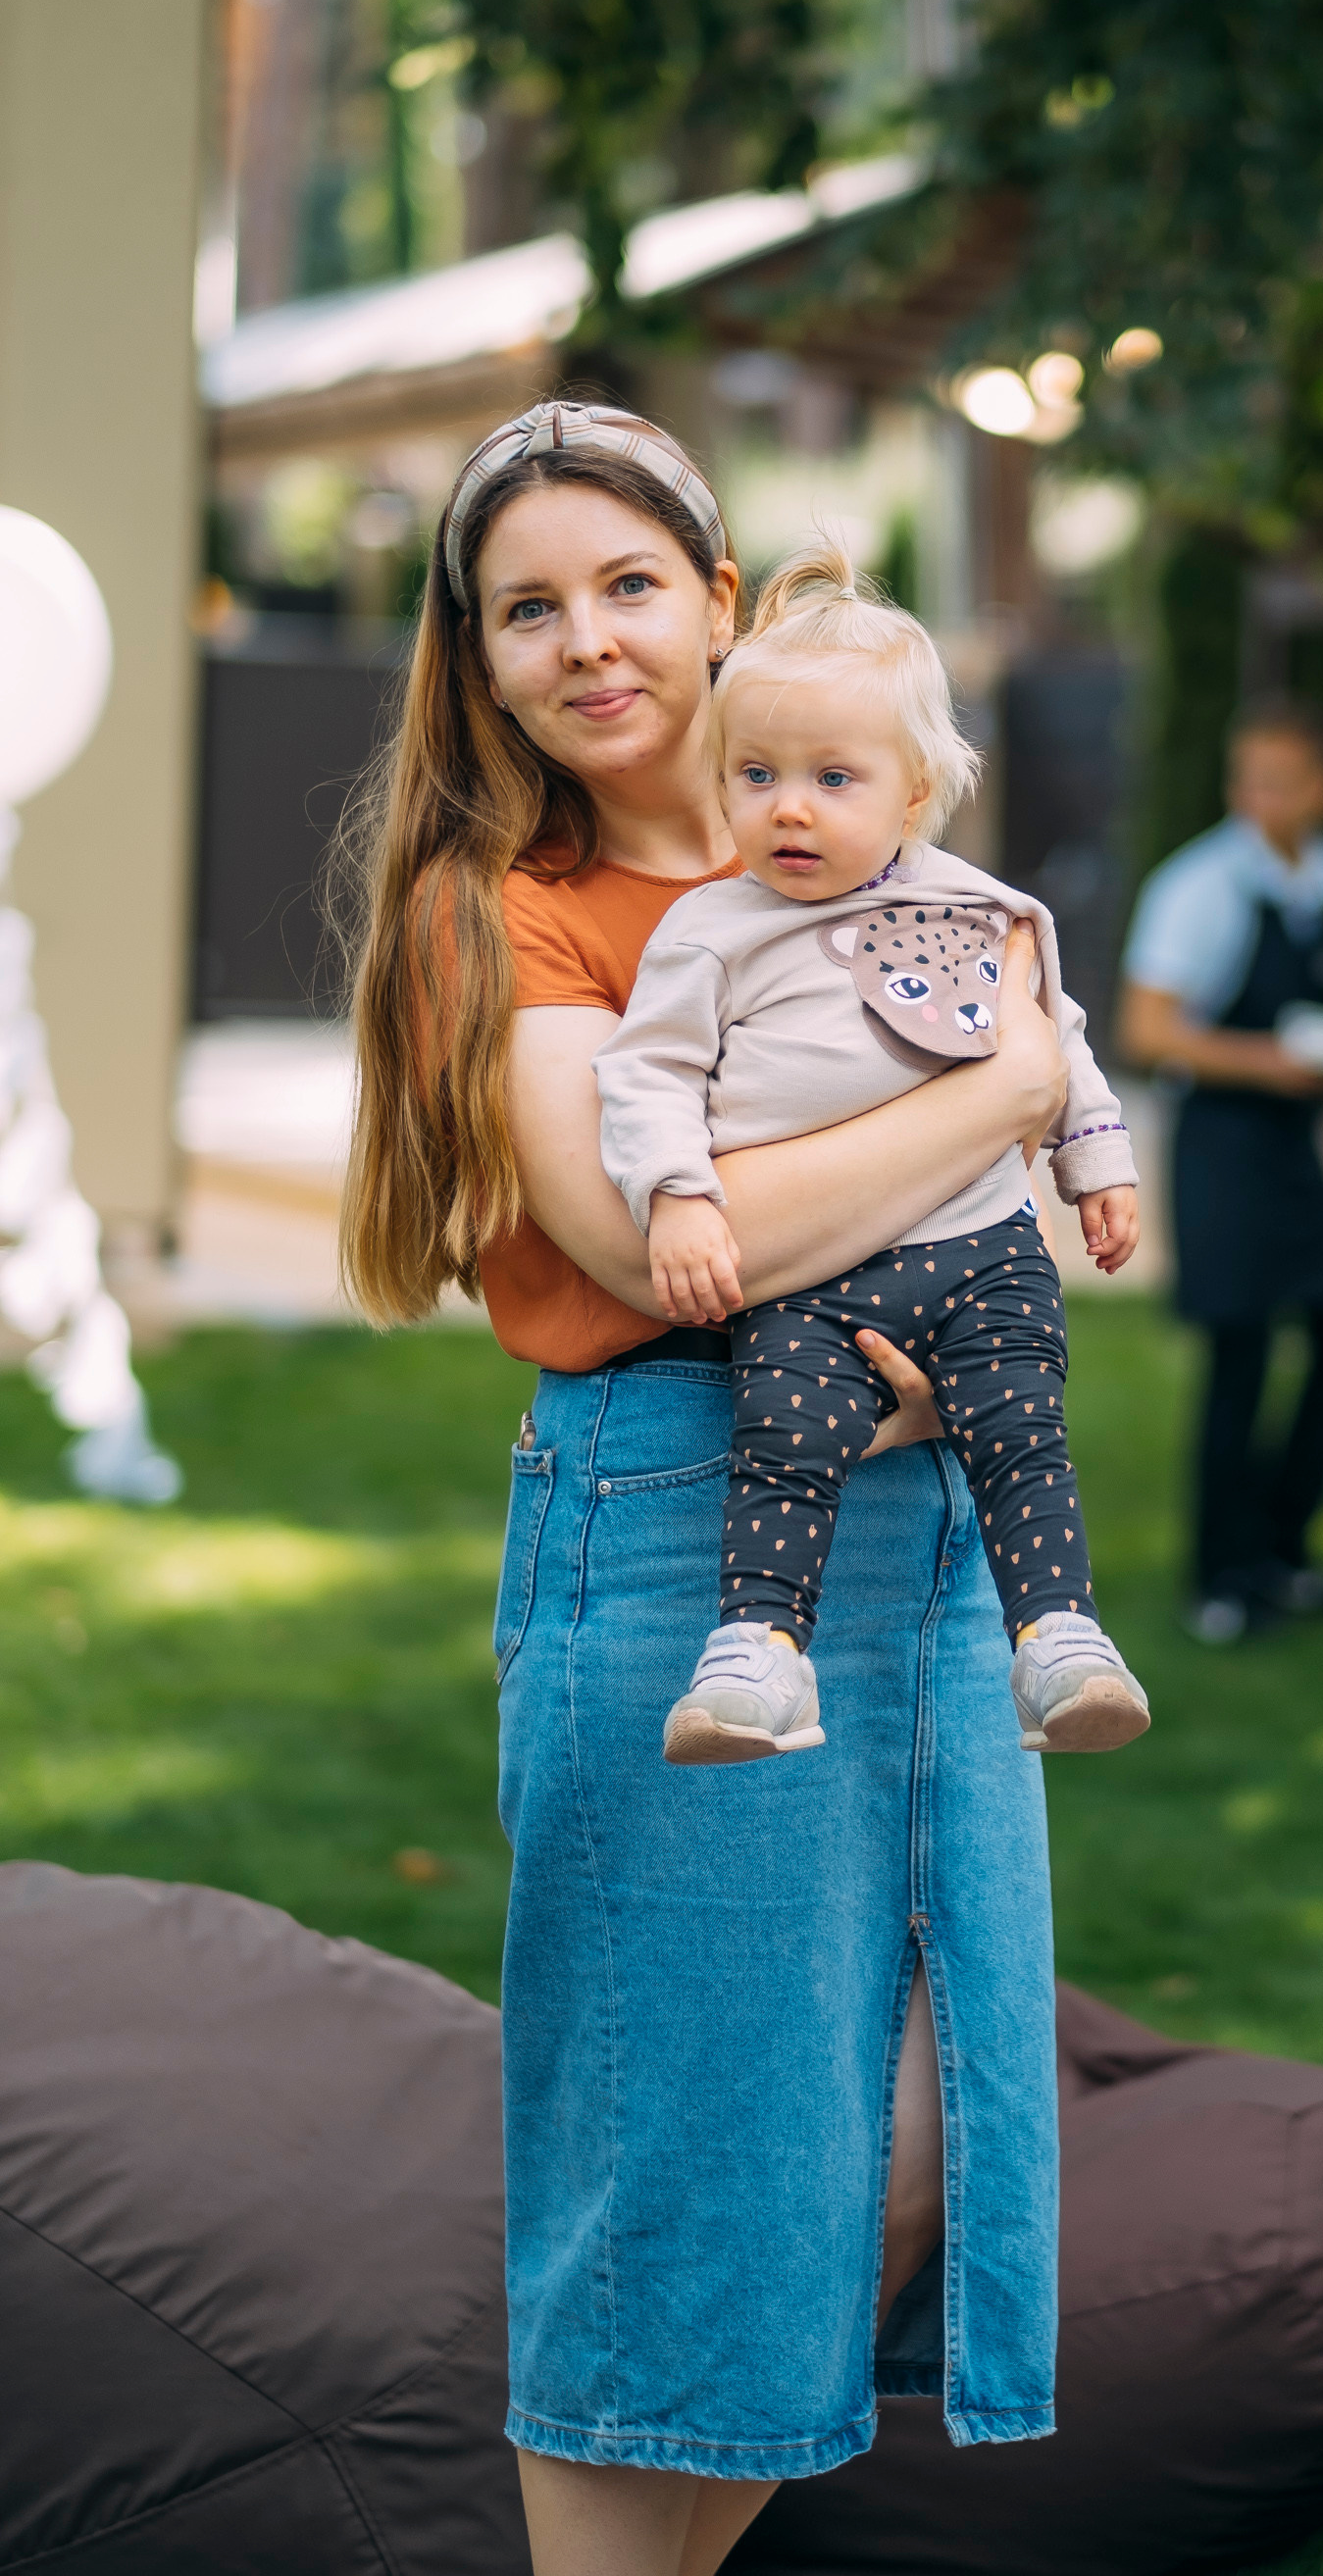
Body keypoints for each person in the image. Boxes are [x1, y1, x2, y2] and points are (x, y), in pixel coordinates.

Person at [339, 400, 1068, 2576]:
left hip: (914, 1540)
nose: (586, 644)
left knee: (916, 2138)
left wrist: (962, 1312)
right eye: (524, 612)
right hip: (672, 1533)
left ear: (721, 603)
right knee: (670, 2175)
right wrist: (1006, 1080)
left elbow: (1002, 1202)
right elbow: (682, 1223)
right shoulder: (515, 910)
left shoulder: (862, 861)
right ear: (478, 671)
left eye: (628, 584)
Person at [591, 543, 1149, 1765]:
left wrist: (1094, 1161)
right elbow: (647, 1075)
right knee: (782, 1438)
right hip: (814, 1266)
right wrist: (679, 1198)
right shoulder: (713, 931)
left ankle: (1057, 1636)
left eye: (830, 777)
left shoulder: (976, 909)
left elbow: (1054, 1039)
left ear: (910, 795)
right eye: (756, 775)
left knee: (1020, 1424)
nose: (787, 807)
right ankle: (758, 1654)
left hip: (983, 1245)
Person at [1120, 697, 1323, 1643]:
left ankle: (1284, 1549)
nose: (1256, 797)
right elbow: (1148, 1030)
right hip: (1223, 1144)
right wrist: (1268, 1064)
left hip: (1296, 1150)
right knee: (1238, 1359)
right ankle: (1221, 1578)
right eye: (1247, 778)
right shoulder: (1197, 887)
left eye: (1278, 780)